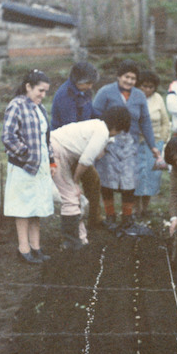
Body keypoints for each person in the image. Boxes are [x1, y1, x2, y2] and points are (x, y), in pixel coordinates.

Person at [92, 59, 161, 234]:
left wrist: (152, 145)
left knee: (129, 181)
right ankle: (110, 216)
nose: (129, 81)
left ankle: (127, 218)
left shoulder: (139, 95)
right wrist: (99, 140)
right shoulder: (105, 92)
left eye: (132, 78)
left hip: (131, 144)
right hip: (108, 142)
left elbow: (145, 120)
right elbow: (95, 116)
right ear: (118, 76)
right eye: (126, 77)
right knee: (107, 179)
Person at [51, 106, 131, 250]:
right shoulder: (102, 132)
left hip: (64, 151)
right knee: (71, 195)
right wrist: (75, 181)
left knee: (76, 195)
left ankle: (81, 239)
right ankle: (70, 241)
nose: (117, 134)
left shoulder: (97, 125)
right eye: (119, 131)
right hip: (56, 151)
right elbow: (86, 160)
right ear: (116, 126)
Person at [1, 69, 55, 264]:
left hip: (40, 169)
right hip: (23, 167)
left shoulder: (40, 108)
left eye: (45, 91)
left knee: (37, 207)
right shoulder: (16, 106)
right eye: (40, 90)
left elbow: (46, 138)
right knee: (23, 208)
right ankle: (23, 249)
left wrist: (51, 160)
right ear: (28, 87)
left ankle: (36, 247)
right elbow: (8, 137)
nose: (43, 95)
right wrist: (26, 154)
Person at [51, 61, 103, 228]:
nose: (90, 86)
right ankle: (73, 225)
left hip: (81, 144)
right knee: (71, 187)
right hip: (65, 147)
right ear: (77, 80)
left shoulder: (85, 92)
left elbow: (91, 112)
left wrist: (104, 119)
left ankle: (95, 219)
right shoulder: (64, 96)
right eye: (87, 83)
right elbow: (71, 128)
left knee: (93, 181)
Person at [135, 70, 170, 218]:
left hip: (154, 144)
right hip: (136, 143)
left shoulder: (158, 99)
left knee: (151, 176)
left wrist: (161, 140)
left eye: (151, 87)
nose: (147, 89)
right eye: (144, 86)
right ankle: (136, 209)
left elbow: (165, 121)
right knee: (136, 175)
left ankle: (145, 208)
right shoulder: (133, 97)